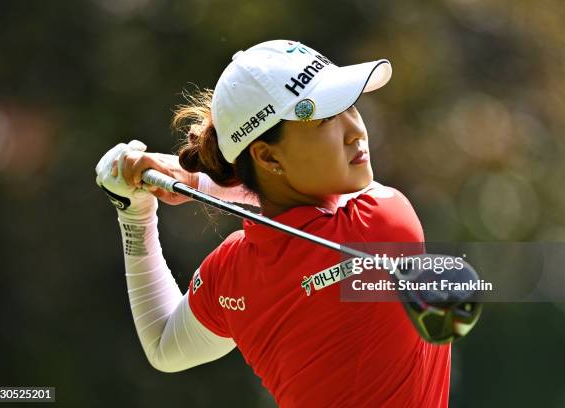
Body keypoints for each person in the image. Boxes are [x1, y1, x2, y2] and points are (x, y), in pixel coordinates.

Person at [95, 40, 451, 407]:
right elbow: (311, 205)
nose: (355, 130)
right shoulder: (383, 223)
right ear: (266, 155)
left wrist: (134, 212)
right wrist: (196, 182)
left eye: (349, 106)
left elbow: (163, 344)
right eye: (325, 117)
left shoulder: (231, 273)